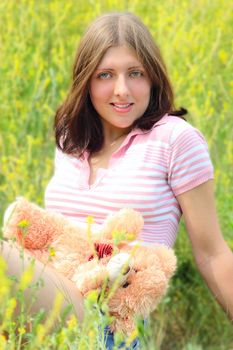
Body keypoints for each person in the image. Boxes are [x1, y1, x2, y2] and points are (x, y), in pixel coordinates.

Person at [2, 11, 233, 349]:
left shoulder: (175, 140)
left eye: (135, 73)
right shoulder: (71, 137)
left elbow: (213, 253)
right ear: (87, 81)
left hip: (110, 320)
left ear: (153, 78)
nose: (122, 90)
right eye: (106, 74)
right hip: (43, 310)